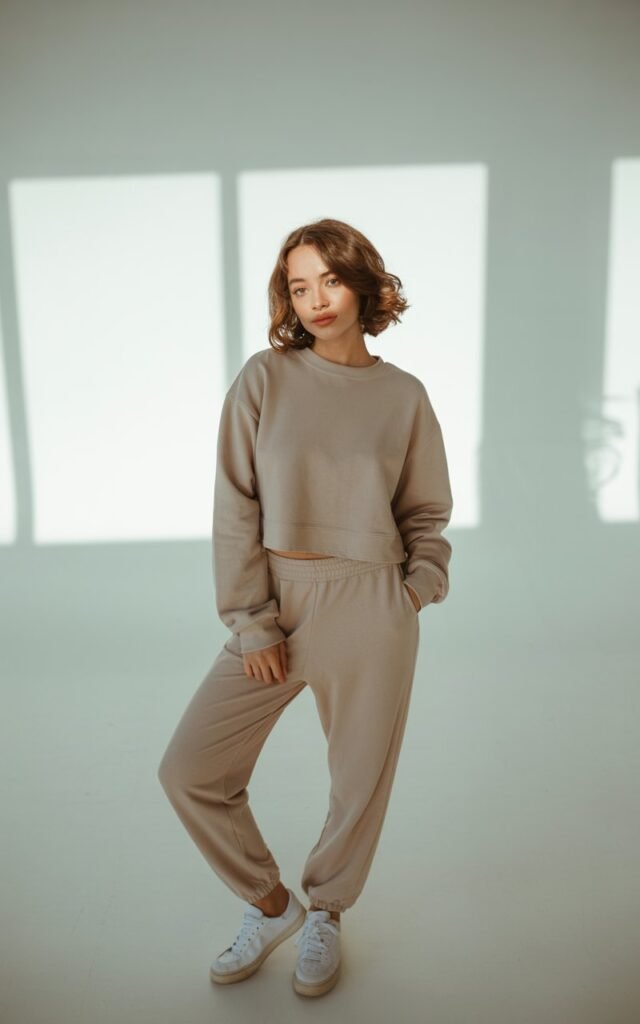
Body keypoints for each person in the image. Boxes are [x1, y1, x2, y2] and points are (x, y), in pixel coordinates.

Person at [157, 217, 453, 998]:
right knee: (191, 769)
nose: (315, 299)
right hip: (280, 603)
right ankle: (270, 903)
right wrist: (252, 619)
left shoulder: (403, 396)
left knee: (358, 783)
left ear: (362, 282)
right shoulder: (266, 377)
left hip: (372, 606)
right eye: (298, 285)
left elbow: (427, 514)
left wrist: (414, 589)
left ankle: (327, 912)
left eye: (329, 279)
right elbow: (235, 505)